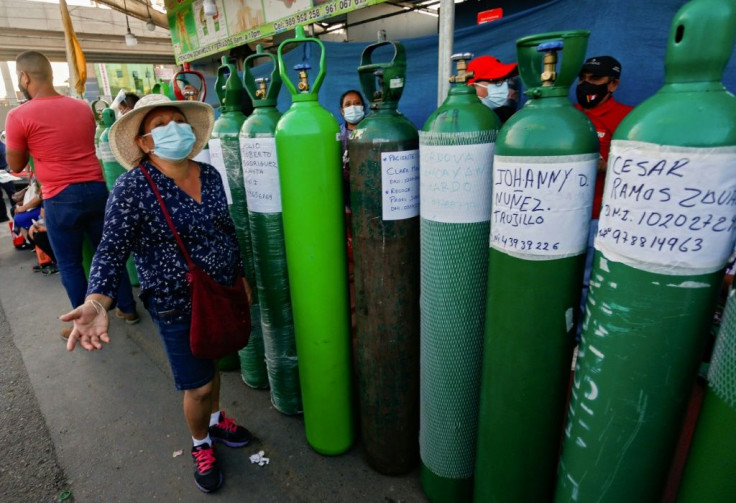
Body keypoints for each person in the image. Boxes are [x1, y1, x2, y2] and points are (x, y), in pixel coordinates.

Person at [60, 94, 254, 494]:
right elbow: (111, 249)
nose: (175, 129)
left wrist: (239, 276)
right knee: (197, 385)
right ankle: (201, 443)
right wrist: (97, 301)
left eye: (178, 120)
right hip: (175, 303)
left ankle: (215, 423)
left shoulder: (209, 174)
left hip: (219, 293)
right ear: (145, 143)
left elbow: (225, 229)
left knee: (214, 361)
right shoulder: (133, 187)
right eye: (161, 124)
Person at [4, 51, 139, 337]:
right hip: (95, 189)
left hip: (60, 197)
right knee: (108, 253)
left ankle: (84, 321)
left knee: (69, 263)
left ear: (24, 77)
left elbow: (15, 165)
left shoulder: (18, 115)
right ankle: (127, 308)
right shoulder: (81, 108)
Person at [574, 55, 633, 335]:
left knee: (586, 281)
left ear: (613, 84)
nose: (586, 84)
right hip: (560, 214)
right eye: (583, 78)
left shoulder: (627, 119)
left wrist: (604, 165)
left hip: (597, 217)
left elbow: (637, 171)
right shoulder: (568, 114)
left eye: (595, 79)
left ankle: (580, 339)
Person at [467, 55, 522, 123]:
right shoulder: (463, 121)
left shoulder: (510, 119)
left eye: (505, 80)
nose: (505, 87)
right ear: (472, 87)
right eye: (495, 80)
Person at [338, 89, 366, 209]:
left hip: (366, 190)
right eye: (348, 104)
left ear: (363, 107)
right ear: (342, 111)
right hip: (343, 191)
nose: (353, 108)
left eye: (357, 103)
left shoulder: (372, 131)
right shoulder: (337, 133)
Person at [0, 133, 17, 223]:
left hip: (3, 172)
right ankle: (3, 216)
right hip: (4, 172)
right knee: (11, 194)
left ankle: (14, 213)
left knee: (12, 194)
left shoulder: (2, 146)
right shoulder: (3, 145)